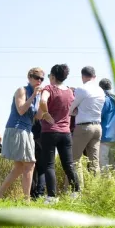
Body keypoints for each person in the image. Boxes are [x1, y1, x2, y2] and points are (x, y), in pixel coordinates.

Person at [0, 68, 44, 200]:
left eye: (41, 79)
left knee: (19, 167)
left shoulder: (38, 95)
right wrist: (33, 95)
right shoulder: (22, 90)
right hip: (17, 128)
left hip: (27, 130)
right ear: (29, 77)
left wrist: (44, 104)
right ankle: (26, 200)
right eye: (36, 77)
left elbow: (38, 116)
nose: (39, 80)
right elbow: (21, 110)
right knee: (30, 164)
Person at [38, 64, 80, 202]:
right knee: (68, 164)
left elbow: (43, 100)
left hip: (49, 132)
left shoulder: (49, 88)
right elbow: (74, 110)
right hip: (66, 133)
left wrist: (45, 113)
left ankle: (51, 197)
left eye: (49, 76)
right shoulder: (69, 91)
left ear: (53, 76)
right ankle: (76, 193)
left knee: (49, 165)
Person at [69, 66, 105, 180]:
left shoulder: (81, 89)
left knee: (74, 160)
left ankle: (76, 190)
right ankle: (95, 190)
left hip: (84, 127)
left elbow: (70, 107)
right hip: (98, 127)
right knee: (94, 161)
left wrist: (75, 112)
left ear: (83, 76)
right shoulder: (100, 90)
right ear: (94, 76)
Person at [29, 119, 45, 199]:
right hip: (43, 142)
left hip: (32, 142)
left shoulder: (32, 116)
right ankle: (40, 193)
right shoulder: (44, 116)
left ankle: (33, 194)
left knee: (32, 169)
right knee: (42, 170)